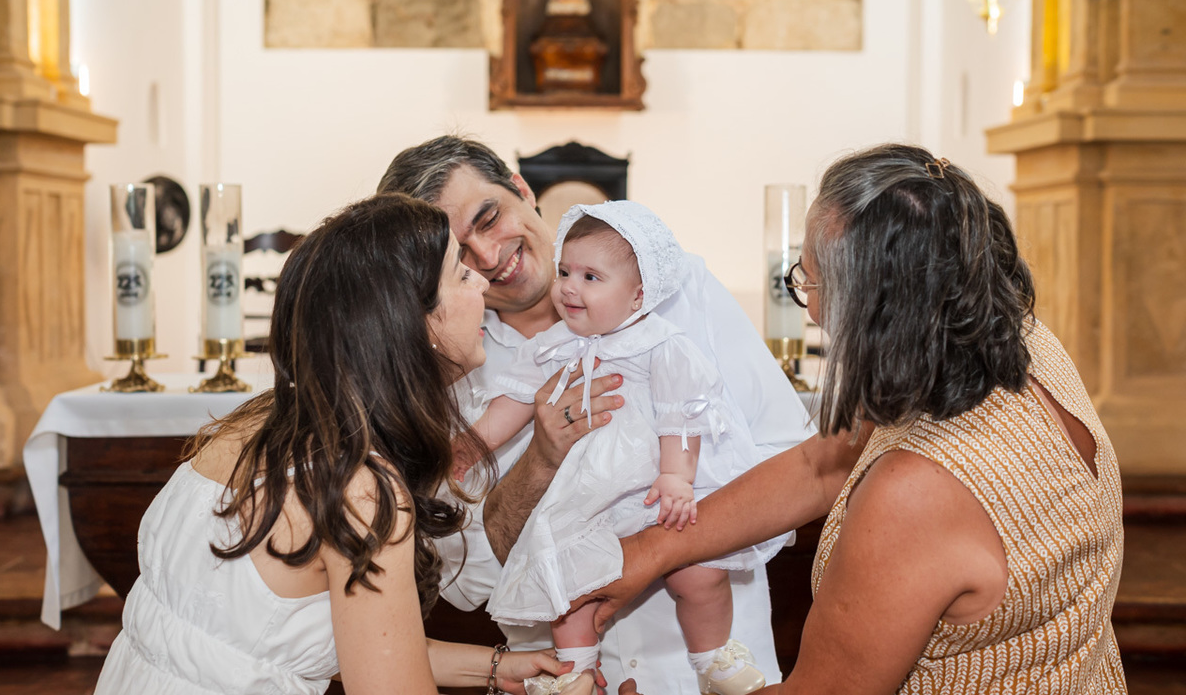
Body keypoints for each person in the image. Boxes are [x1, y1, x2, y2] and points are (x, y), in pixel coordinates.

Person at [579, 144, 1128, 694]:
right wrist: (653, 550)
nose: (812, 311)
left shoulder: (918, 490)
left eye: (809, 283)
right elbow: (822, 464)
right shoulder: (1017, 344)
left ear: (873, 309)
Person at [93, 194, 581, 695]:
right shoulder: (359, 491)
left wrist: (498, 669)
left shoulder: (262, 419)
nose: (482, 281)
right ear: (411, 324)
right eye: (460, 273)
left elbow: (344, 647)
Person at [377, 136, 814, 693]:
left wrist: (656, 552)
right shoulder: (446, 365)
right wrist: (538, 459)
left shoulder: (675, 291)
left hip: (696, 671)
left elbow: (797, 470)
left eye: (489, 218)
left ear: (522, 188)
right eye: (458, 252)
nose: (488, 258)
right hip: (563, 676)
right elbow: (469, 579)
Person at [458, 203, 784, 694]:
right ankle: (575, 671)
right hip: (590, 497)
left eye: (591, 277)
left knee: (699, 576)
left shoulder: (664, 343)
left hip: (652, 493)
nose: (569, 285)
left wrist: (676, 475)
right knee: (571, 590)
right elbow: (516, 400)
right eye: (566, 271)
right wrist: (473, 445)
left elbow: (682, 412)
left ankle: (714, 658)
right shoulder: (553, 345)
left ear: (637, 296)